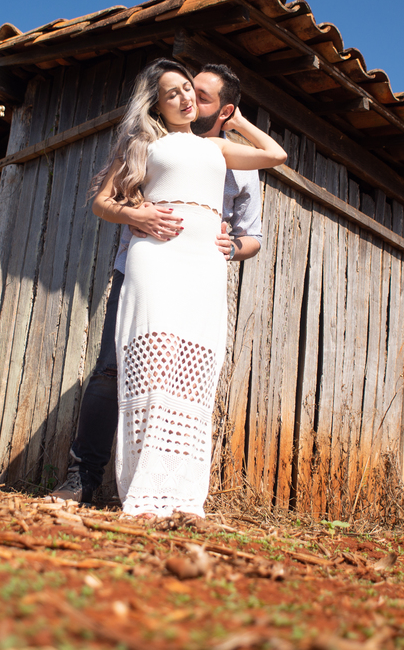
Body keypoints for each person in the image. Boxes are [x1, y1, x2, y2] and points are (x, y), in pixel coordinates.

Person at [49, 62, 262, 506]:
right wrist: (135, 214)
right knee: (113, 367)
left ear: (223, 110)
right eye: (184, 90)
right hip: (144, 267)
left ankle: (165, 483)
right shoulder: (151, 144)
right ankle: (82, 478)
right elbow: (106, 201)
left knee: (182, 376)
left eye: (201, 95)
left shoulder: (237, 162)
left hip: (197, 276)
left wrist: (231, 245)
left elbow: (253, 239)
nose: (190, 100)